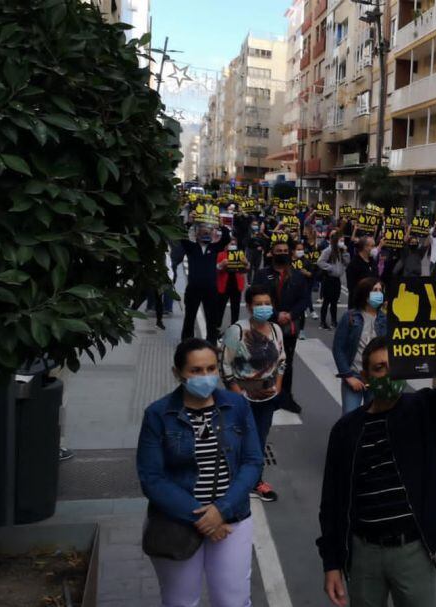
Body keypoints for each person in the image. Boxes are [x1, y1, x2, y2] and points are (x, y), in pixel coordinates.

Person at [317, 303, 436, 607]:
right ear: (366, 376)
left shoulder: (423, 409)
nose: (387, 374)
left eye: (392, 366)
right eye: (379, 368)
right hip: (363, 555)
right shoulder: (346, 430)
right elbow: (331, 502)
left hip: (412, 552)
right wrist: (331, 562)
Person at [137, 338, 263, 607]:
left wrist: (220, 510)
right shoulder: (158, 415)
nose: (205, 377)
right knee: (180, 602)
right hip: (176, 523)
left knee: (233, 600)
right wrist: (202, 517)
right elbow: (151, 478)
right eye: (195, 370)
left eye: (210, 369)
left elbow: (252, 462)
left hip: (231, 521)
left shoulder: (237, 406)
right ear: (177, 373)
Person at [220, 284, 286, 502]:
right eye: (258, 304)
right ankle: (234, 481)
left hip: (267, 397)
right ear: (249, 307)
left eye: (267, 303)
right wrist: (236, 392)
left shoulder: (276, 329)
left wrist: (278, 385)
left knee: (259, 439)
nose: (264, 307)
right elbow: (225, 364)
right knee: (239, 439)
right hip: (241, 396)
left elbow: (282, 360)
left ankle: (256, 481)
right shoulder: (236, 330)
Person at [253, 238, 311, 415]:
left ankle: (286, 397)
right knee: (265, 361)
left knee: (287, 363)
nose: (282, 254)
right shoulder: (262, 275)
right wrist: (275, 315)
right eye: (278, 251)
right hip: (267, 324)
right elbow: (256, 297)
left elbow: (304, 300)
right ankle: (263, 393)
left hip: (289, 327)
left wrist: (291, 315)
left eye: (285, 250)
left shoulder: (298, 275)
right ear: (272, 253)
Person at [332, 277, 389, 414]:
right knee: (350, 418)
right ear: (365, 294)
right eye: (374, 290)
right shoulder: (350, 317)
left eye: (380, 290)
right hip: (354, 376)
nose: (378, 293)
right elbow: (338, 348)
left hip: (377, 378)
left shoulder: (384, 319)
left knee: (373, 419)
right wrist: (348, 376)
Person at [179, 224, 230, 342]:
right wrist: (189, 223)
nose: (206, 235)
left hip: (210, 289)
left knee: (212, 318)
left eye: (208, 233)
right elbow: (181, 236)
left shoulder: (215, 248)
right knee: (189, 317)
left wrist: (221, 225)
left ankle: (211, 342)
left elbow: (226, 239)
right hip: (193, 288)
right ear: (197, 235)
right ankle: (187, 341)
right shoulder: (191, 247)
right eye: (203, 233)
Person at [317, 232, 349, 330]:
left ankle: (334, 321)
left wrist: (345, 252)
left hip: (337, 279)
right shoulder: (328, 250)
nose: (342, 242)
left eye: (343, 241)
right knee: (326, 301)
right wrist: (330, 268)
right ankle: (322, 321)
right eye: (340, 240)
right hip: (328, 278)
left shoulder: (342, 251)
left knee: (334, 302)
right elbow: (320, 262)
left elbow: (347, 262)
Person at [216, 239, 248, 333]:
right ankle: (217, 327)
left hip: (236, 285)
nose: (233, 245)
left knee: (235, 308)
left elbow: (245, 270)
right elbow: (216, 269)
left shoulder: (240, 255)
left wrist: (246, 264)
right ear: (226, 245)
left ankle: (234, 327)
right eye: (231, 243)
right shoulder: (221, 254)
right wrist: (221, 265)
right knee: (220, 307)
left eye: (235, 244)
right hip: (224, 285)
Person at [345, 236, 378, 304]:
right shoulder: (354, 264)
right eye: (372, 246)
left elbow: (377, 279)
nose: (374, 248)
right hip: (358, 304)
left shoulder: (373, 262)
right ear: (365, 247)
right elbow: (351, 287)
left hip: (372, 303)